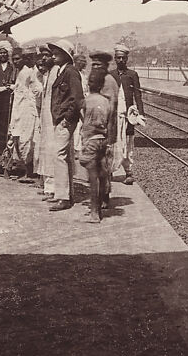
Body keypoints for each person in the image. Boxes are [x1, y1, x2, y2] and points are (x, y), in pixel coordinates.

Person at [47, 38, 84, 211]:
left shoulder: (70, 72)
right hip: (60, 119)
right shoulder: (61, 71)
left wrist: (67, 118)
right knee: (64, 156)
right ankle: (67, 195)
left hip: (64, 120)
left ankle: (63, 197)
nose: (53, 55)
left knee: (59, 155)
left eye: (57, 52)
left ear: (66, 55)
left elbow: (77, 99)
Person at [79, 64, 118, 222]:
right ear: (102, 85)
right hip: (103, 141)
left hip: (90, 141)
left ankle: (94, 213)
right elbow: (110, 123)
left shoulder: (86, 101)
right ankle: (101, 206)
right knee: (102, 176)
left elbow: (82, 117)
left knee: (92, 178)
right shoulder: (106, 102)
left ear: (89, 83)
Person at [109, 44, 145, 183]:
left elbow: (137, 94)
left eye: (123, 58)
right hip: (114, 116)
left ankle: (128, 172)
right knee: (112, 143)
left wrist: (140, 114)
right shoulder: (110, 75)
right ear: (115, 59)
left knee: (128, 143)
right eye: (119, 58)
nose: (121, 60)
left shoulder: (132, 75)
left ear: (127, 59)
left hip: (128, 116)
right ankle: (110, 170)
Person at [5, 45, 40, 178]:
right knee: (17, 137)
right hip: (18, 109)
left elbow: (36, 90)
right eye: (13, 59)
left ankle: (28, 171)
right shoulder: (20, 72)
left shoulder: (29, 72)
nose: (15, 62)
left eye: (18, 59)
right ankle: (23, 168)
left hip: (27, 110)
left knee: (27, 140)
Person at [33, 47, 57, 199]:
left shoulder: (55, 73)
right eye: (42, 56)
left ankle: (53, 188)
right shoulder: (46, 75)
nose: (43, 59)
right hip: (45, 117)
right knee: (45, 151)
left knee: (52, 151)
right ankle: (47, 185)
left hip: (53, 118)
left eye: (47, 56)